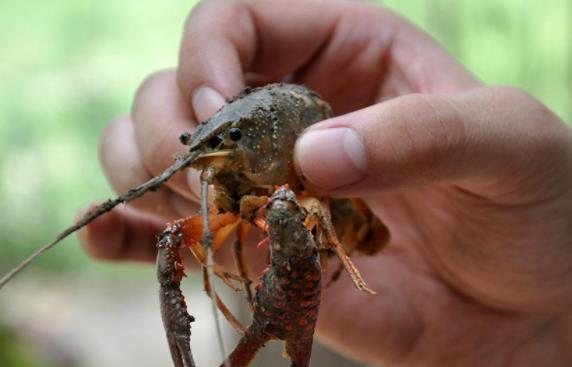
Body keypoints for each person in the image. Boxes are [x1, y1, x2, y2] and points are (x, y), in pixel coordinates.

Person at [78, 0, 572, 365]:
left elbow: (290, 206)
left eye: (227, 138)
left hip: (339, 213)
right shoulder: (224, 164)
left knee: (285, 210)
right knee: (172, 235)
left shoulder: (298, 197)